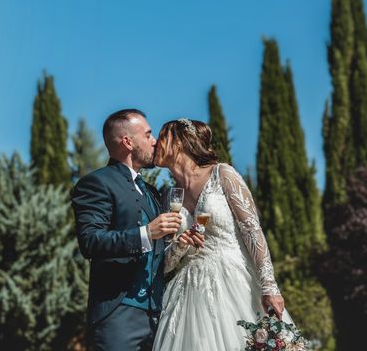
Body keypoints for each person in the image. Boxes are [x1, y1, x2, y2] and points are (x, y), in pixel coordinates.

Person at [152, 118, 290, 351]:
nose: (155, 143)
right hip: (187, 295)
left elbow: (252, 231)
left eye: (163, 137)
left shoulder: (223, 175)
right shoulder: (168, 196)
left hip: (234, 281)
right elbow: (165, 265)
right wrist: (180, 245)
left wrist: (269, 285)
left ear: (180, 143)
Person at [71, 109, 182, 350]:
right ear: (128, 142)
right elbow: (90, 241)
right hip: (118, 316)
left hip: (160, 316)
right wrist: (146, 233)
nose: (155, 141)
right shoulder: (96, 183)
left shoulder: (152, 192)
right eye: (148, 134)